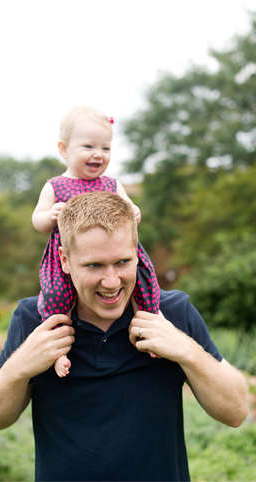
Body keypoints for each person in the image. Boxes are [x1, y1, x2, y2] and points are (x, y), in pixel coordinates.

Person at [0, 191, 248, 481]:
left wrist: (186, 350)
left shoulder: (172, 313)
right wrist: (20, 367)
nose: (112, 281)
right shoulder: (35, 318)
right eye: (94, 265)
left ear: (137, 253)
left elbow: (236, 412)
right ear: (65, 260)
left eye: (122, 262)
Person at [32, 106, 160, 377]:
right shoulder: (55, 186)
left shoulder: (112, 184)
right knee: (56, 298)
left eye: (106, 148)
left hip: (114, 251)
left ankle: (147, 327)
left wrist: (134, 211)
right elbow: (37, 221)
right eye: (89, 146)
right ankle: (58, 351)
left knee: (145, 282)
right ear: (64, 149)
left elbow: (128, 209)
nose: (98, 154)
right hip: (71, 258)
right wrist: (49, 215)